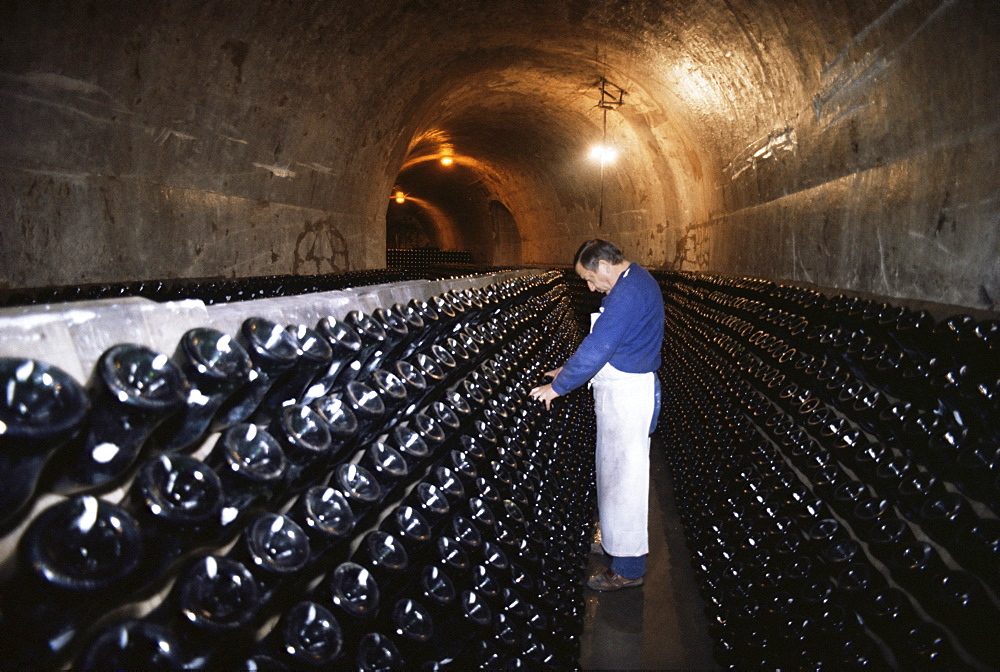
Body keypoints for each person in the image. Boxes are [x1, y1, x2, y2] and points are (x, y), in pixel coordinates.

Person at [529, 238, 664, 591]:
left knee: (626, 483)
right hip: (621, 392)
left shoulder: (627, 294)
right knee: (613, 476)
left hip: (628, 398)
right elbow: (609, 346)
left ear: (604, 265)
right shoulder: (634, 281)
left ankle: (629, 569)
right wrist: (566, 369)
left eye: (589, 278)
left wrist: (557, 388)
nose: (590, 287)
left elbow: (600, 346)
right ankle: (614, 546)